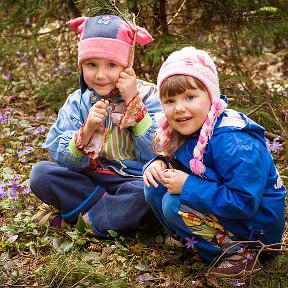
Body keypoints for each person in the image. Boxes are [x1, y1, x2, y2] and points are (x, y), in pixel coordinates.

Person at [143, 46, 286, 277]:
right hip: (224, 210)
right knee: (155, 186)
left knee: (173, 203)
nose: (179, 108)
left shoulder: (235, 144)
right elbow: (184, 163)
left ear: (210, 97)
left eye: (190, 97)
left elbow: (244, 202)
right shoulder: (188, 129)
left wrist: (187, 186)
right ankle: (190, 239)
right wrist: (159, 161)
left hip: (257, 229)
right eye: (170, 100)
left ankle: (239, 256)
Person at [29, 15, 163, 237]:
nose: (101, 75)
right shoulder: (78, 101)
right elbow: (60, 154)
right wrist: (87, 130)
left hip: (133, 182)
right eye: (91, 65)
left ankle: (83, 221)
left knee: (149, 192)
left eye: (111, 65)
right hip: (90, 180)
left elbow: (159, 151)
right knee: (41, 174)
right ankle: (115, 218)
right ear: (82, 65)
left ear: (126, 65)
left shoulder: (149, 95)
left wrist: (135, 106)